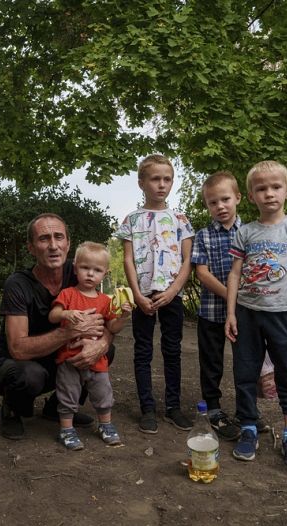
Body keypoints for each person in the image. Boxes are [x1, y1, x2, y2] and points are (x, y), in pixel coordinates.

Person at [0, 214, 114, 440]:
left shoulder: (80, 273)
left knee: (102, 350)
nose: (53, 246)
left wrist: (103, 343)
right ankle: (12, 410)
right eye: (44, 239)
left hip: (57, 354)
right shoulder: (18, 284)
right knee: (28, 375)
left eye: (59, 237)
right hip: (14, 362)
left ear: (68, 244)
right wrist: (71, 331)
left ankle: (58, 408)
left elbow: (106, 322)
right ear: (31, 248)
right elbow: (18, 348)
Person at [225, 160, 287, 468]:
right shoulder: (245, 233)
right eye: (261, 189)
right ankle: (248, 428)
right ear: (250, 196)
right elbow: (234, 274)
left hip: (284, 315)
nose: (269, 194)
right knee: (245, 373)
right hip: (247, 314)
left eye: (276, 187)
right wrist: (231, 313)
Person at [116, 154, 195, 435]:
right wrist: (137, 295)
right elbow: (128, 260)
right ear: (141, 183)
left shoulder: (180, 219)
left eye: (167, 179)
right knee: (143, 351)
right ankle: (147, 408)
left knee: (172, 351)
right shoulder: (132, 220)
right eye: (155, 179)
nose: (162, 185)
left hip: (172, 296)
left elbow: (188, 261)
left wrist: (174, 290)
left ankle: (173, 407)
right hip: (144, 297)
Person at [48, 242, 131, 450]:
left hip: (97, 360)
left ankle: (106, 425)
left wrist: (124, 316)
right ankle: (66, 429)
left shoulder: (105, 301)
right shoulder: (68, 294)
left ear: (105, 273)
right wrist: (66, 313)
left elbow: (113, 327)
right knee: (68, 395)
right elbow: (53, 315)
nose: (90, 274)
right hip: (69, 359)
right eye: (85, 268)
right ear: (75, 268)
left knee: (103, 394)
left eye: (97, 270)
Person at [190, 171, 243, 441]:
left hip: (245, 314)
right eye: (213, 202)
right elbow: (202, 273)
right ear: (207, 205)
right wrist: (231, 295)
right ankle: (213, 409)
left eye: (225, 199)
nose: (220, 206)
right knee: (211, 362)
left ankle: (246, 411)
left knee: (246, 362)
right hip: (211, 312)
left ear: (238, 198)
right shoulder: (203, 236)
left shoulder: (251, 232)